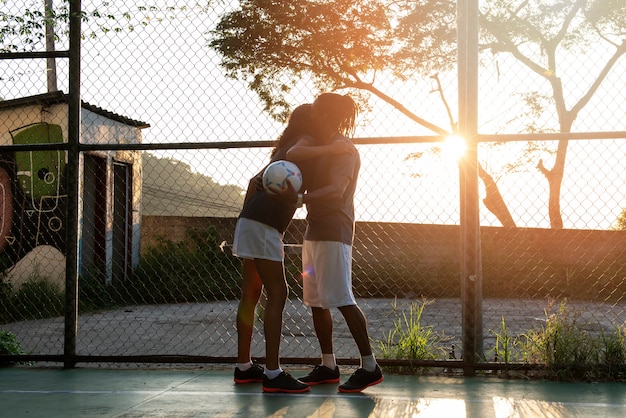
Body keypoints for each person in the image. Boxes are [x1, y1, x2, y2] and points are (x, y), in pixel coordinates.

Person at [232, 103, 353, 393]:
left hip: (249, 220)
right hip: (263, 226)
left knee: (251, 294)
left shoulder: (281, 150)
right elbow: (300, 156)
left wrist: (249, 215)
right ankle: (273, 374)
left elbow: (252, 181)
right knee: (279, 292)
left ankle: (244, 366)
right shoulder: (305, 143)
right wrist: (332, 151)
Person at [283, 92, 384, 393]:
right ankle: (329, 365)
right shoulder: (324, 145)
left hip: (334, 230)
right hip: (314, 230)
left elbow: (336, 191)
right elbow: (293, 155)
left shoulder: (345, 150)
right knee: (316, 300)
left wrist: (301, 198)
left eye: (315, 111)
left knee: (341, 297)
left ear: (326, 116)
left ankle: (370, 366)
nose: (310, 116)